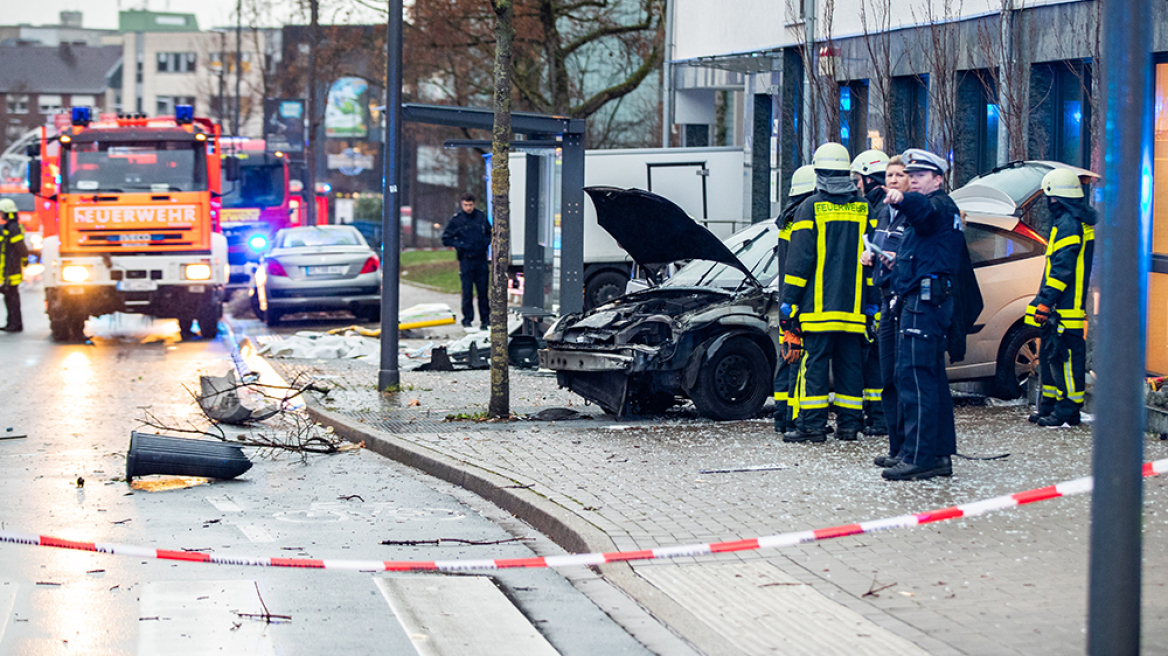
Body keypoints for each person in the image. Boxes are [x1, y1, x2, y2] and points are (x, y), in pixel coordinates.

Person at [881, 148, 981, 481]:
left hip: (924, 308)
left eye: (919, 176)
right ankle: (933, 454)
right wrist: (896, 264)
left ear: (938, 179)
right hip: (923, 303)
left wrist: (902, 198)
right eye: (910, 177)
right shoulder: (937, 212)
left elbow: (922, 211)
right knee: (931, 382)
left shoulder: (937, 205)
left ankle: (920, 457)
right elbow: (927, 251)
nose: (912, 182)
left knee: (916, 382)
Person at [781, 143, 870, 443]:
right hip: (855, 308)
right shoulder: (864, 208)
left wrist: (788, 303)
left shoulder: (810, 207)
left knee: (814, 367)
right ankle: (848, 426)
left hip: (817, 309)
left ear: (818, 173)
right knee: (850, 368)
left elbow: (799, 263)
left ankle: (813, 427)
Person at [1025, 168, 1096, 428]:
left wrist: (1045, 300)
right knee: (1052, 357)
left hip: (1066, 307)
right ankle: (1053, 407)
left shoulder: (1068, 223)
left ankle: (1066, 410)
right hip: (1062, 305)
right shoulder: (1069, 219)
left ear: (1056, 197)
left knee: (1065, 359)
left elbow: (1061, 269)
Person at [865, 155, 909, 467]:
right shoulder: (884, 212)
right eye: (889, 175)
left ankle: (908, 449)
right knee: (888, 378)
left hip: (904, 300)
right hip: (885, 297)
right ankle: (896, 448)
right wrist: (871, 258)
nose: (892, 180)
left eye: (899, 175)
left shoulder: (913, 214)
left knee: (902, 377)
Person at [773, 165, 816, 435]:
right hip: (800, 300)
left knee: (787, 357)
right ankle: (792, 418)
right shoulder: (802, 219)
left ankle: (782, 416)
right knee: (798, 362)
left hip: (787, 300)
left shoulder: (786, 219)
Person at [851, 149, 890, 438]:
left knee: (875, 360)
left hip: (877, 297)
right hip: (877, 297)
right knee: (873, 360)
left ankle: (879, 418)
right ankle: (876, 416)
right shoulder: (875, 207)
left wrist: (872, 304)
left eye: (859, 179)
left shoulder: (877, 210)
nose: (856, 185)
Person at [441, 194, 492, 330]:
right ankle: (467, 319)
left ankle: (485, 319)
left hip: (481, 259)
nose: (468, 208)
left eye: (470, 205)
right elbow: (446, 238)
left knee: (483, 292)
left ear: (474, 204)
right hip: (466, 259)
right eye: (466, 205)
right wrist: (460, 245)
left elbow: (490, 233)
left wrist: (484, 244)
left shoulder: (481, 217)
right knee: (467, 292)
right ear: (462, 205)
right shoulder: (457, 220)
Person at [0, 198, 28, 332]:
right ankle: (11, 323)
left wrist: (24, 258)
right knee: (9, 297)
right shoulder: (8, 227)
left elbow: (20, 247)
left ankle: (15, 324)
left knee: (12, 298)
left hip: (11, 269)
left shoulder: (13, 228)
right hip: (8, 268)